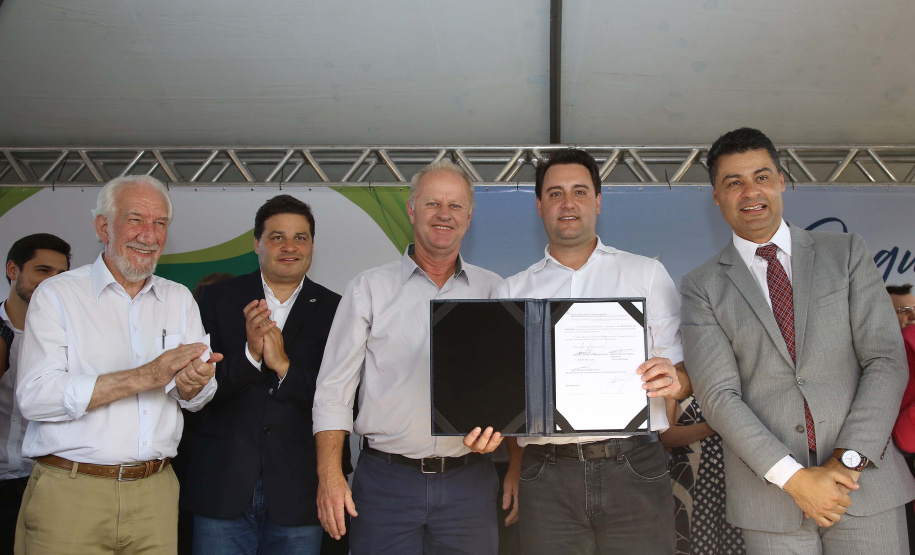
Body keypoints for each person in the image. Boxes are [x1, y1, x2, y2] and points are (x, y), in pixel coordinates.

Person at [680, 127, 915, 554]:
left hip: (865, 487)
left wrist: (845, 464)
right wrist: (794, 478)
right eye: (733, 182)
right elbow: (718, 396)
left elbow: (885, 360)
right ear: (716, 195)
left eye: (762, 176)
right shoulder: (702, 286)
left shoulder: (844, 253)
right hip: (770, 501)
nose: (750, 191)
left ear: (782, 180)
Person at [494, 148, 690, 555]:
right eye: (555, 193)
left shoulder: (646, 275)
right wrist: (513, 463)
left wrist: (675, 380)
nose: (568, 203)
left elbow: (685, 372)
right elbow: (508, 396)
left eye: (580, 191)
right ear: (538, 205)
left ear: (598, 201)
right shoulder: (511, 292)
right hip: (546, 474)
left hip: (634, 466)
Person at [15, 175, 220, 554]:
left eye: (160, 224)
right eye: (136, 219)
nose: (148, 234)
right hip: (70, 491)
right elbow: (34, 397)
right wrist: (146, 376)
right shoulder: (58, 295)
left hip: (155, 491)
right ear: (103, 226)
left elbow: (194, 397)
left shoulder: (179, 299)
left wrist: (195, 383)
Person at [313, 160, 504, 555]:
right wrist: (330, 474)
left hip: (468, 483)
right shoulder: (368, 289)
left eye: (455, 206)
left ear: (469, 217)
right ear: (412, 210)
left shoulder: (496, 291)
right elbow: (333, 392)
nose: (444, 215)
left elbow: (513, 385)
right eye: (433, 203)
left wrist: (503, 436)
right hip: (385, 484)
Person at [184, 195, 341, 554]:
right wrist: (251, 355)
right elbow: (192, 392)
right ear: (257, 243)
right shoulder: (216, 299)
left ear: (312, 245)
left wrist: (284, 366)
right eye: (277, 237)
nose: (289, 247)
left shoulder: (338, 309)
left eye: (300, 237)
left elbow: (342, 400)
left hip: (299, 491)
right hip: (222, 486)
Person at [0, 234, 71, 553]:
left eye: (61, 275)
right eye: (43, 271)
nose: (52, 282)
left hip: (45, 480)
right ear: (13, 270)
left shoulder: (73, 341)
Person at [663, 396, 746, 555]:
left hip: (734, 473)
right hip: (690, 476)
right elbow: (666, 436)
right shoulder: (675, 377)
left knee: (737, 543)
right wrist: (714, 425)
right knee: (694, 543)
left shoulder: (733, 375)